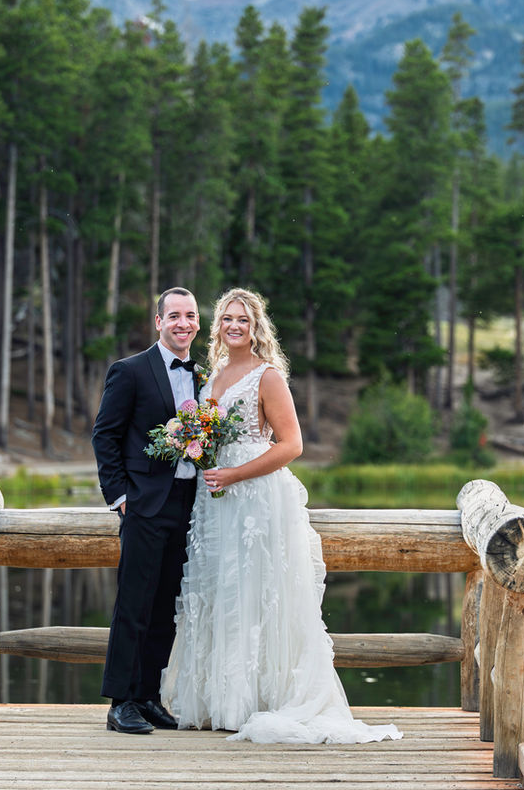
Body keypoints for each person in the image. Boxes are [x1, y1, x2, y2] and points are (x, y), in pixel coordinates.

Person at [162, 288, 401, 744]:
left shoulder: (267, 376)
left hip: (255, 498)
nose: (235, 326)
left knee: (257, 591)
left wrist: (234, 473)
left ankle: (256, 701)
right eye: (228, 319)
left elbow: (291, 446)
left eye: (244, 320)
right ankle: (223, 700)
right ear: (219, 326)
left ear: (256, 328)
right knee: (222, 589)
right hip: (216, 502)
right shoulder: (212, 375)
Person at [93, 287, 204, 735]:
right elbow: (106, 435)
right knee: (134, 605)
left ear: (198, 323)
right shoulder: (131, 371)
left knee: (165, 607)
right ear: (158, 322)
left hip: (188, 505)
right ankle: (121, 703)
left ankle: (148, 696)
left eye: (190, 315)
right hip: (143, 505)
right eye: (173, 315)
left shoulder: (205, 376)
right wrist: (120, 497)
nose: (183, 323)